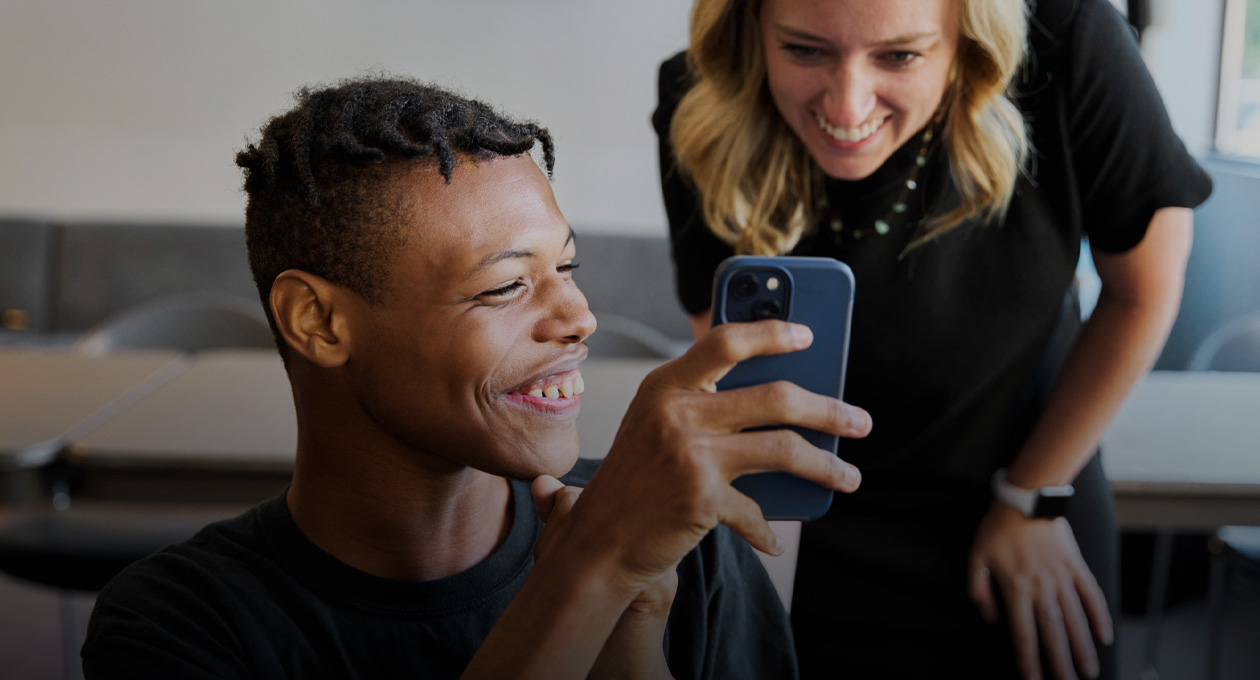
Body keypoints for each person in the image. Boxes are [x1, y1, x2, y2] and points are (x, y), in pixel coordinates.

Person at [80, 76, 873, 679]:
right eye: (505, 286)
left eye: (566, 266)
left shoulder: (679, 544)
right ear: (319, 322)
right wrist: (593, 569)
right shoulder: (178, 626)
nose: (579, 317)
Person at [653, 0, 1212, 678]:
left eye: (899, 55)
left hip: (1023, 497)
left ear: (967, 42)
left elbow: (1143, 291)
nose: (848, 104)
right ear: (750, 27)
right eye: (804, 50)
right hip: (806, 524)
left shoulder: (1068, 43)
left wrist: (1029, 499)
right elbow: (732, 372)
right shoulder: (702, 99)